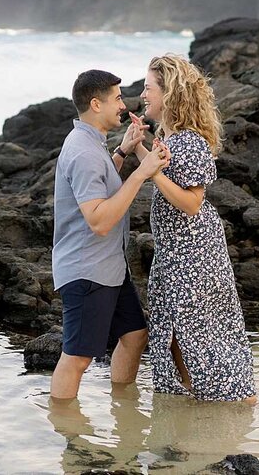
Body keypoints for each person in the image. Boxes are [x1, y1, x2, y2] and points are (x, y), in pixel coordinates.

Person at [134, 53, 256, 403]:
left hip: (194, 256)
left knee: (200, 334)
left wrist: (153, 171)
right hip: (176, 254)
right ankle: (196, 398)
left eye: (148, 88)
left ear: (169, 94)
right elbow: (160, 172)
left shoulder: (189, 141)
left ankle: (237, 400)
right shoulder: (170, 139)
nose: (144, 95)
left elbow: (192, 203)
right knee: (177, 334)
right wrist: (140, 148)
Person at [50, 69, 171, 400]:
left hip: (109, 268)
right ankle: (68, 437)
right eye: (117, 98)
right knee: (77, 358)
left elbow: (98, 190)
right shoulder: (84, 152)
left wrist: (122, 153)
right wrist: (143, 172)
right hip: (88, 271)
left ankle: (123, 410)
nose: (123, 105)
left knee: (134, 335)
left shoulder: (92, 144)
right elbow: (99, 220)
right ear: (95, 103)